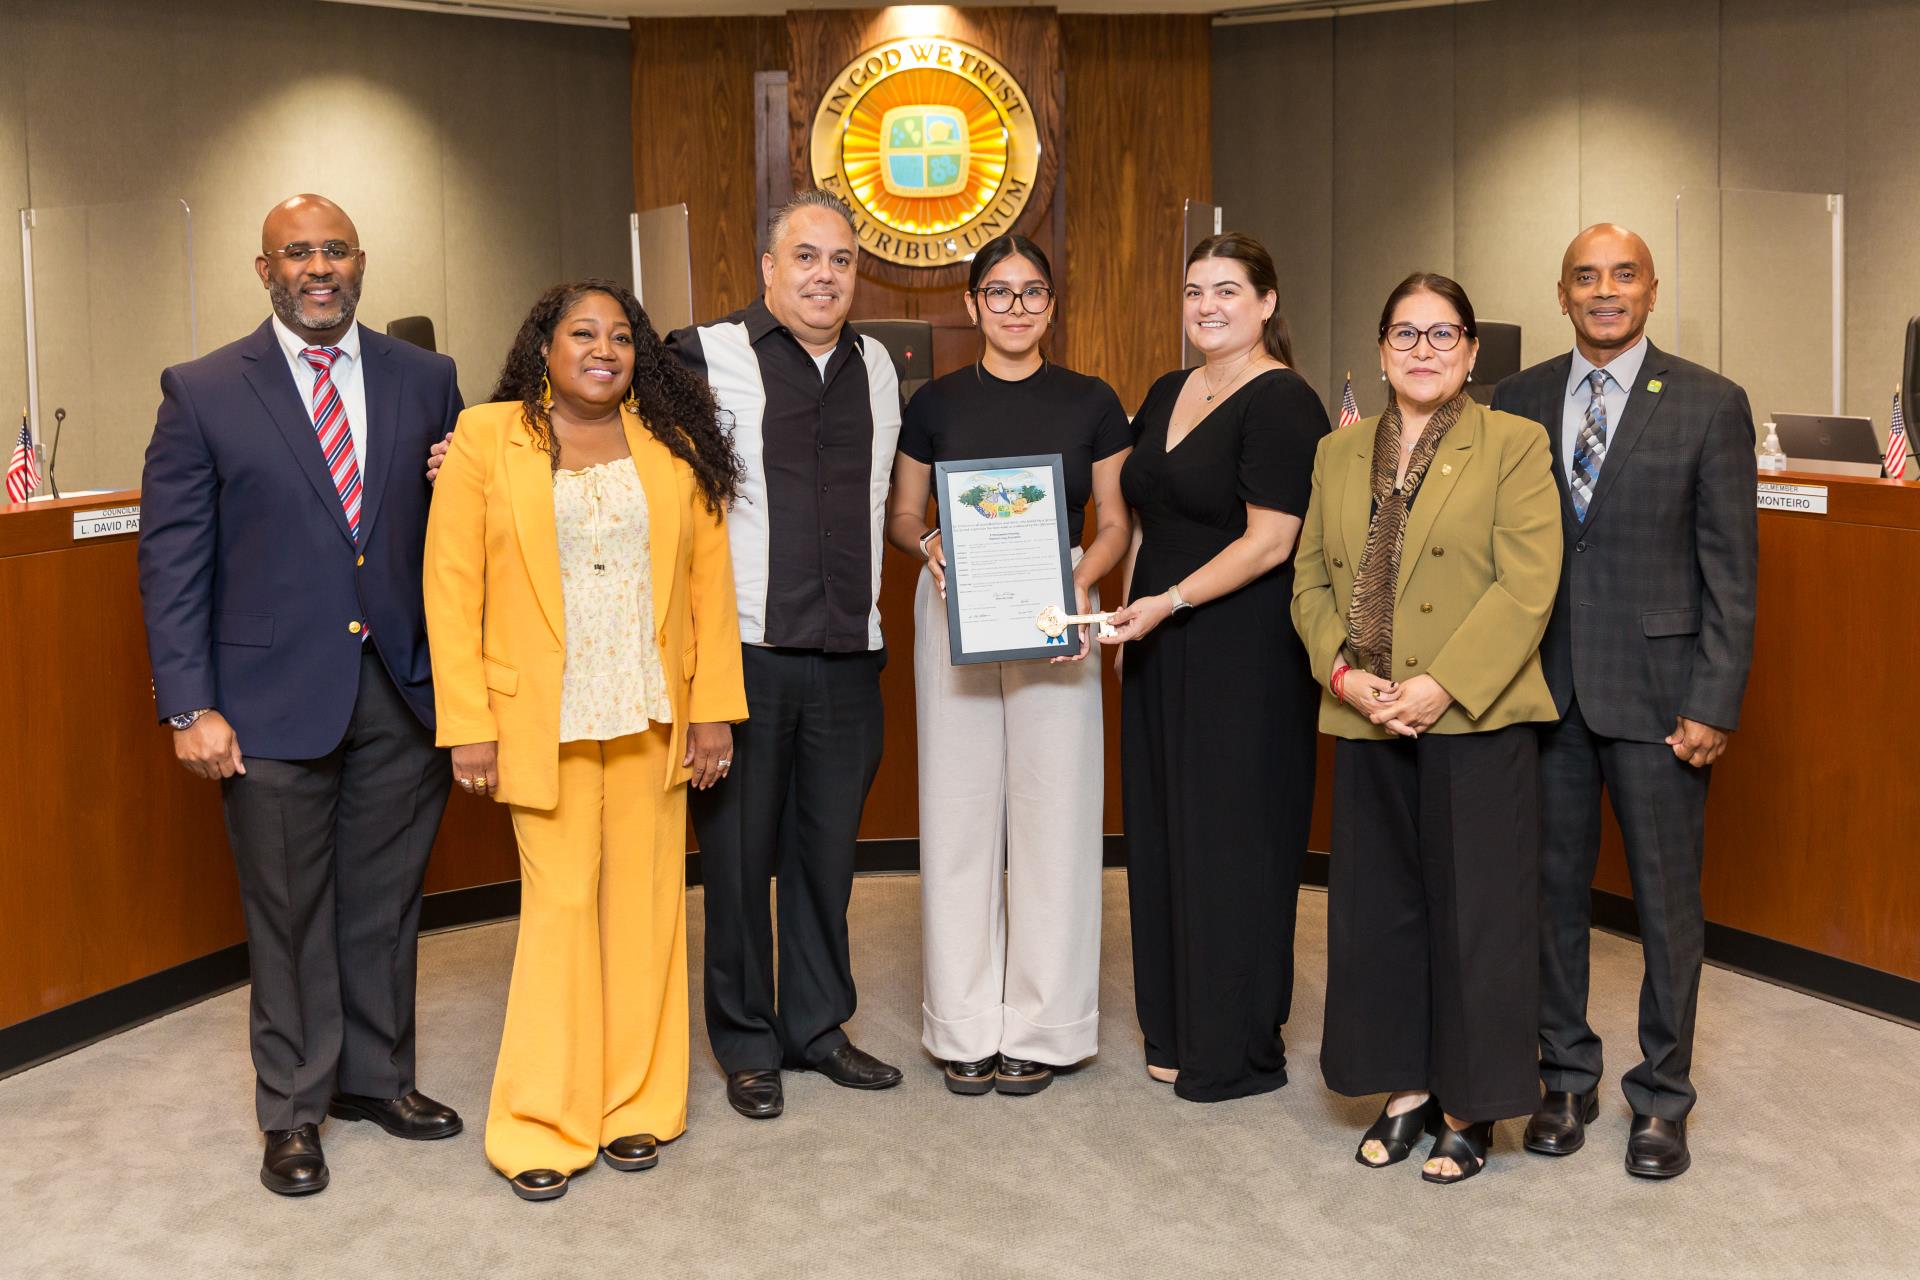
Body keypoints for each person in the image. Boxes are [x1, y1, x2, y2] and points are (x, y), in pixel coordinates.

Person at [138, 194, 464, 1197]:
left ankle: (376, 1078)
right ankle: (292, 1107)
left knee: (382, 905)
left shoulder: (427, 378)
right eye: (296, 253)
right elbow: (172, 559)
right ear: (264, 269)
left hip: (401, 692)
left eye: (333, 250)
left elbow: (459, 536)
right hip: (268, 700)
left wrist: (470, 480)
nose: (316, 267)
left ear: (360, 261)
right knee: (285, 912)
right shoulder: (202, 391)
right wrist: (190, 705)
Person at [423, 279, 746, 1201]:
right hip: (541, 719)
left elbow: (706, 592)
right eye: (582, 333)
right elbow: (451, 591)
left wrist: (715, 708)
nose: (603, 349)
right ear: (545, 348)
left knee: (647, 909)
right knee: (561, 912)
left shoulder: (675, 446)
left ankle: (636, 1105)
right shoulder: (487, 438)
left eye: (620, 336)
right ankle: (541, 1119)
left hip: (653, 715)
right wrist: (468, 727)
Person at [1492, 224, 1758, 1180]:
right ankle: (1565, 1077)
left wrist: (1714, 699)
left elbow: (1731, 571)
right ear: (1560, 294)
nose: (1605, 291)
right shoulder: (1513, 400)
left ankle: (1663, 1098)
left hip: (1661, 702)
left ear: (1650, 290)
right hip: (1543, 695)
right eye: (1585, 277)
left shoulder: (1708, 403)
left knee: (1667, 907)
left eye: (1624, 275)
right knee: (1549, 898)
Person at [1292, 272, 1562, 1184]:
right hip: (1366, 712)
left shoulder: (1516, 444)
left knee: (1475, 918)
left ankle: (1470, 1105)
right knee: (1376, 915)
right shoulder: (1339, 453)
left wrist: (1441, 685)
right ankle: (1400, 1086)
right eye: (1405, 334)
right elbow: (1309, 585)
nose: (1423, 350)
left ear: (1473, 352)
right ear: (1378, 349)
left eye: (1443, 334)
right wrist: (1344, 672)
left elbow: (1527, 585)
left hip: (1471, 717)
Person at [665, 190, 905, 1119]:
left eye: (841, 260)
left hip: (851, 653)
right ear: (768, 267)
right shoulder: (699, 353)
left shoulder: (879, 365)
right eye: (805, 257)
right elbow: (583, 397)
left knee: (824, 856)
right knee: (736, 858)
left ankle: (816, 1026)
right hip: (746, 655)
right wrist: (472, 450)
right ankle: (746, 1042)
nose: (823, 275)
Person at [884, 234, 1132, 1096]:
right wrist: (931, 549)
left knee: (1056, 815)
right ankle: (962, 1024)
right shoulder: (937, 402)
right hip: (955, 604)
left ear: (1052, 306)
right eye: (999, 292)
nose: (1016, 307)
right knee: (957, 814)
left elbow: (1112, 523)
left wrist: (1079, 590)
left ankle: (1044, 1026)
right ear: (972, 304)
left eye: (1032, 293)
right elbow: (904, 513)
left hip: (1058, 604)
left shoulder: (1094, 401)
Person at [1096, 233, 1328, 1102]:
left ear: (1267, 303)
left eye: (1228, 290)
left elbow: (1272, 541)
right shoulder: (1167, 388)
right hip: (1159, 641)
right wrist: (1129, 616)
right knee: (1161, 831)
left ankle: (1233, 1042)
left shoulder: (1284, 401)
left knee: (1231, 839)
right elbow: (1143, 519)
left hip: (1243, 651)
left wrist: (1169, 604)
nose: (1208, 307)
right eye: (1195, 291)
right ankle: (1176, 1023)